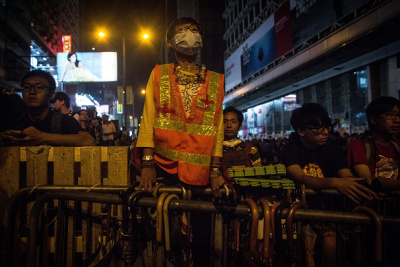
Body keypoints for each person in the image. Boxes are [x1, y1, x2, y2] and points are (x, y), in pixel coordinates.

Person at [136, 17, 225, 266]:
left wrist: (216, 170)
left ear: (201, 41)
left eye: (194, 31)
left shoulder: (216, 80)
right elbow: (148, 121)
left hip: (202, 173)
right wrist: (147, 164)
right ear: (170, 43)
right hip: (164, 169)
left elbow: (216, 131)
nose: (189, 34)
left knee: (202, 236)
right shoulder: (158, 74)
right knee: (164, 233)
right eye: (183, 31)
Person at [280, 103, 377, 267]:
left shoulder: (332, 148)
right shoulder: (290, 149)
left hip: (328, 211)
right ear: (301, 131)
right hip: (301, 212)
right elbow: (299, 177)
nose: (325, 132)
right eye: (317, 129)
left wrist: (358, 184)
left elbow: (344, 174)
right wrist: (333, 182)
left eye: (326, 127)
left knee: (331, 250)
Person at [0, 70, 95, 146]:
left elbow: (88, 141)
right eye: (27, 87)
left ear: (51, 94)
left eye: (39, 87)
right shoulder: (11, 121)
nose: (32, 91)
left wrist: (41, 137)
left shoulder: (64, 122)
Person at [347, 96, 400, 190]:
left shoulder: (397, 146)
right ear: (373, 120)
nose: (397, 120)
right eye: (390, 115)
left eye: (398, 115)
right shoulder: (359, 146)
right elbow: (369, 181)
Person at [221, 106, 262, 183]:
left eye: (233, 122)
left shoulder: (251, 150)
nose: (229, 125)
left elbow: (259, 175)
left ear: (240, 127)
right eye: (225, 122)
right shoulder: (215, 150)